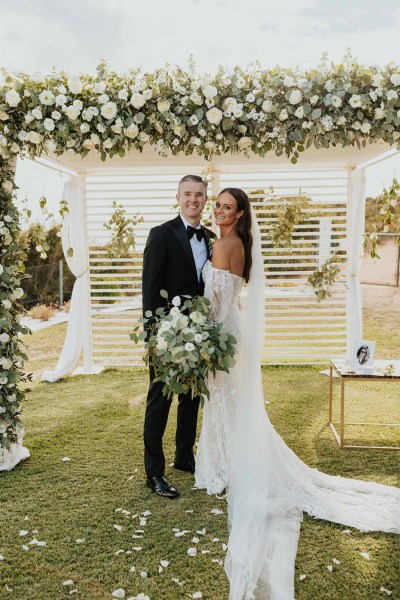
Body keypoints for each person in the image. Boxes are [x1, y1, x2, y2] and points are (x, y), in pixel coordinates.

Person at [195, 188, 400, 600]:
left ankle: (228, 465)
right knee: (231, 404)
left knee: (226, 402)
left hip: (220, 334)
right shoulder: (238, 245)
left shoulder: (225, 244)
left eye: (225, 206)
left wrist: (201, 340)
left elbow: (215, 306)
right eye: (215, 204)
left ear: (239, 215)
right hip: (232, 333)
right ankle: (228, 459)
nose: (217, 210)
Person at [142, 174, 216, 499]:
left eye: (199, 194)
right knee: (161, 399)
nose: (193, 199)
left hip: (198, 334)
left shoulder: (212, 237)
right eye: (187, 194)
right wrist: (154, 334)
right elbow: (149, 287)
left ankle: (185, 456)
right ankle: (154, 473)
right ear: (178, 197)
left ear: (205, 199)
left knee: (192, 397)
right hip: (167, 334)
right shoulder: (161, 234)